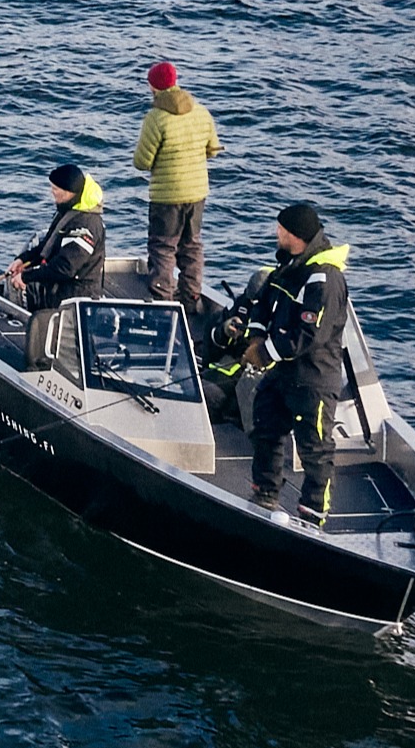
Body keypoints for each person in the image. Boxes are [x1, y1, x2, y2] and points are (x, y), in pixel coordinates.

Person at [240, 203, 352, 523]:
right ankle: (265, 490)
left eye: (281, 230)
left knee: (315, 449)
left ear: (295, 235)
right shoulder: (288, 267)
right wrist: (255, 338)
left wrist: (265, 354)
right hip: (282, 374)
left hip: (313, 379)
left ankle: (314, 512)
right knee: (265, 425)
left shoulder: (325, 279)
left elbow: (308, 335)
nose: (276, 233)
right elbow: (263, 303)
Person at [130, 61, 223, 311]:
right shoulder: (201, 111)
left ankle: (164, 302)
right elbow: (213, 150)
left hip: (167, 196)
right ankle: (191, 297)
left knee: (163, 246)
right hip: (197, 193)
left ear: (153, 86)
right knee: (191, 244)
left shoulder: (156, 118)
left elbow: (142, 161)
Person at [8, 164, 108, 311]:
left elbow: (65, 267)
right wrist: (23, 260)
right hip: (57, 294)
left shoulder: (85, 225)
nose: (52, 193)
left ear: (69, 192)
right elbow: (48, 245)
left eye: (55, 189)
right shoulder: (68, 211)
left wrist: (26, 277)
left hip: (75, 300)